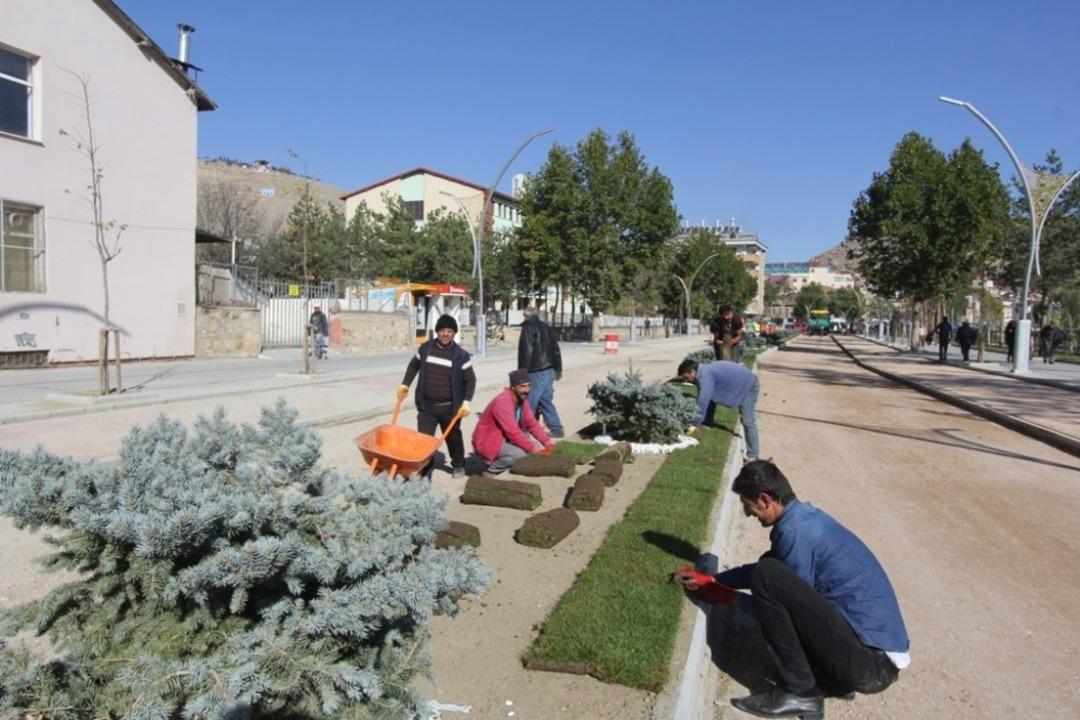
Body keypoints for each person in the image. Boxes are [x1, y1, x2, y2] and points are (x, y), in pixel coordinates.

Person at [685, 461, 909, 718]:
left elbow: (781, 612)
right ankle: (830, 679)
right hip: (874, 658)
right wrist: (714, 580)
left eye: (748, 505)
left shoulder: (794, 531)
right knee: (768, 571)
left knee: (767, 575)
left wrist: (724, 596)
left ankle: (802, 695)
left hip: (871, 664)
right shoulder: (801, 519)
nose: (748, 514)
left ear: (765, 499)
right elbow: (767, 572)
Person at [398, 314, 476, 480]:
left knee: (453, 438)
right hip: (427, 406)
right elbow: (414, 366)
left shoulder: (461, 355)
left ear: (454, 334)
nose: (446, 334)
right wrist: (405, 384)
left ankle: (458, 465)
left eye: (450, 331)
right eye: (443, 330)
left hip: (450, 407)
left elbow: (470, 380)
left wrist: (466, 402)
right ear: (437, 332)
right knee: (424, 441)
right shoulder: (426, 348)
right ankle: (425, 470)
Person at [472, 368, 556, 474]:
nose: (527, 390)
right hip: (488, 440)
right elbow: (512, 432)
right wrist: (533, 450)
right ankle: (491, 471)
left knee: (535, 446)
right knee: (518, 455)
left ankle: (505, 461)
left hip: (504, 437)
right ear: (513, 387)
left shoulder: (521, 399)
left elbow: (532, 424)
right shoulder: (503, 402)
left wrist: (548, 442)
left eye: (529, 385)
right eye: (522, 386)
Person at [678, 358, 760, 461]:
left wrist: (694, 424)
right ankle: (707, 422)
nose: (686, 381)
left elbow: (703, 400)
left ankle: (753, 455)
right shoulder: (704, 371)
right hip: (742, 381)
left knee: (747, 421)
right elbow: (703, 396)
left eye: (686, 377)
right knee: (708, 397)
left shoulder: (705, 375)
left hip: (749, 385)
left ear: (693, 372)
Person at [518, 307, 565, 438]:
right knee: (544, 400)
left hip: (536, 370)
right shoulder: (547, 328)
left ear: (524, 315)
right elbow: (556, 350)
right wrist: (558, 369)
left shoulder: (528, 328)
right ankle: (556, 428)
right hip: (549, 369)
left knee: (529, 401)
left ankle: (524, 430)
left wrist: (521, 374)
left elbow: (526, 352)